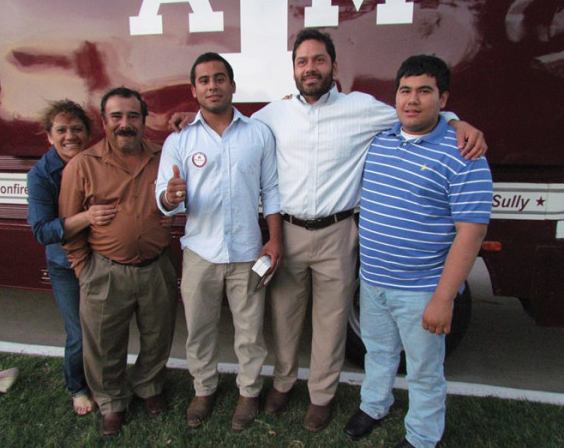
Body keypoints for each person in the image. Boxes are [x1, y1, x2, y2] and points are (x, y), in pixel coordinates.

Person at [170, 29, 487, 432]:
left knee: (332, 322)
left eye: (318, 60)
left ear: (334, 67)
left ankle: (321, 395)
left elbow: (416, 112)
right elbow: (230, 121)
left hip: (339, 233)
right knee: (284, 318)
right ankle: (283, 385)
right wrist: (185, 115)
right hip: (288, 232)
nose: (310, 68)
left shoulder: (364, 108)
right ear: (293, 70)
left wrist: (457, 121)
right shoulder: (273, 114)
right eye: (302, 62)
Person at [343, 55, 492, 448]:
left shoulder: (465, 154)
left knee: (425, 371)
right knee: (378, 352)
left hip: (422, 289)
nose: (412, 100)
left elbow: (471, 234)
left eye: (424, 91)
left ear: (443, 98)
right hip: (372, 282)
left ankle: (424, 437)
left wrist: (444, 299)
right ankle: (375, 405)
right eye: (405, 91)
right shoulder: (381, 139)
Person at [155, 52, 282, 432]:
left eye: (220, 78)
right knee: (200, 329)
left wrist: (274, 239)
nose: (213, 85)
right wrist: (171, 197)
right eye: (205, 80)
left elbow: (271, 189)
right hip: (200, 252)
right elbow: (163, 196)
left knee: (250, 333)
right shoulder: (179, 140)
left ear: (232, 85)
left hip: (247, 252)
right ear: (194, 90)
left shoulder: (258, 133)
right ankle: (204, 389)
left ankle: (248, 393)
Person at [59, 87, 178, 437]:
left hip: (157, 266)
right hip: (105, 269)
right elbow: (68, 224)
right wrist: (85, 269)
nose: (125, 124)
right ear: (104, 121)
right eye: (116, 116)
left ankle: (148, 387)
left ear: (144, 120)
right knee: (103, 343)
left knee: (158, 336)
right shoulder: (83, 165)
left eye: (132, 116)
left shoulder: (163, 155)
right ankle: (111, 402)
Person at [27, 99, 116, 415]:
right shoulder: (41, 175)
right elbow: (42, 231)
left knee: (104, 328)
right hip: (66, 265)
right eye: (61, 130)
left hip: (102, 259)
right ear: (49, 136)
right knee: (79, 331)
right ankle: (77, 387)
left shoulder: (99, 163)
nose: (70, 136)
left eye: (77, 129)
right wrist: (87, 217)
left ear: (88, 133)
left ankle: (105, 382)